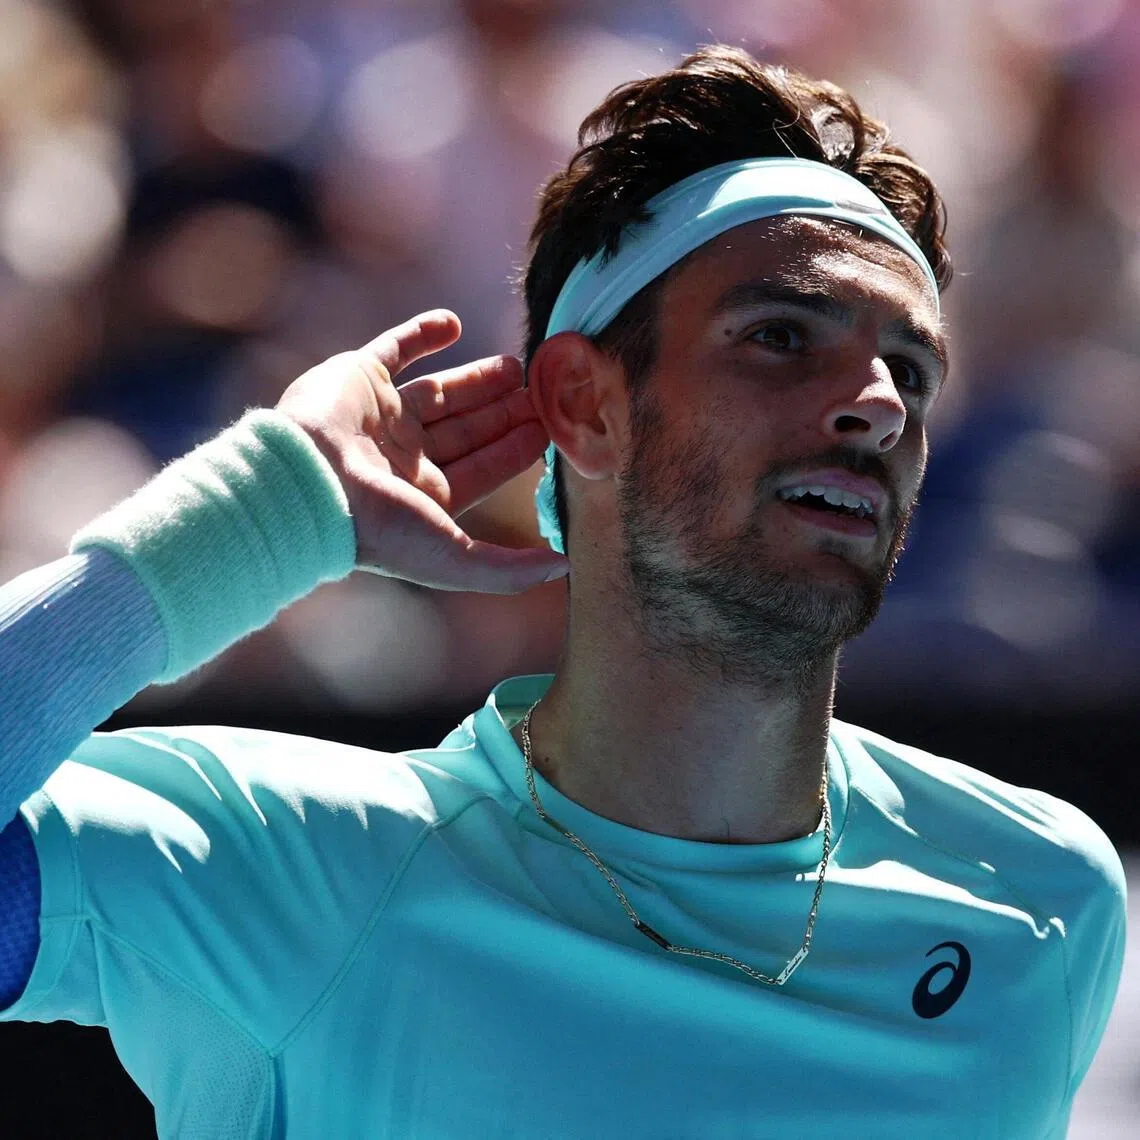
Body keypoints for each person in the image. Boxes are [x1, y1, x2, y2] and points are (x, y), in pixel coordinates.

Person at [0, 46, 1126, 1139]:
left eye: (913, 372)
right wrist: (259, 520)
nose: (878, 405)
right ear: (585, 407)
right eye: (780, 337)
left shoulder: (1042, 903)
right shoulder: (286, 866)